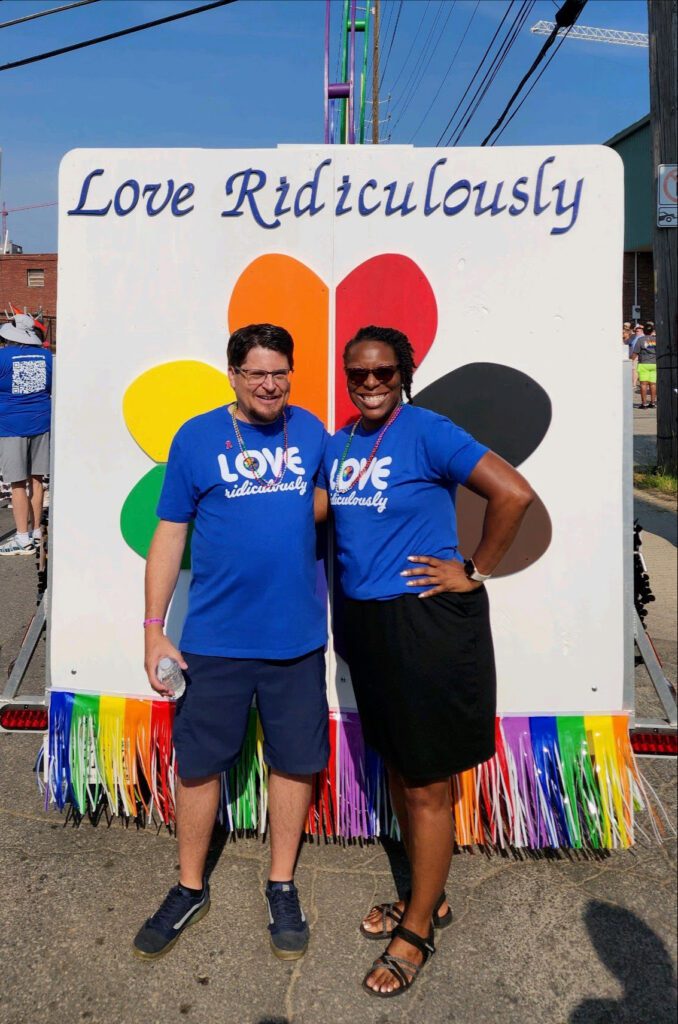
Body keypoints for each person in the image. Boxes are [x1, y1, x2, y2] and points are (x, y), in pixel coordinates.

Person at [321, 325, 534, 998]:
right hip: (367, 624)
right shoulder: (343, 442)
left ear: (403, 374)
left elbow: (513, 493)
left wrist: (475, 568)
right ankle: (426, 894)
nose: (371, 383)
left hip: (426, 627)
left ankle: (415, 931)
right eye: (359, 374)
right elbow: (316, 511)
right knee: (401, 765)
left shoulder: (428, 430)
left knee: (426, 784)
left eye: (384, 372)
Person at [134, 323, 329, 962]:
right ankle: (190, 886)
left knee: (295, 759)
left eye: (280, 372)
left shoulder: (312, 432)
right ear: (234, 377)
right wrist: (153, 628)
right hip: (213, 640)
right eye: (256, 374)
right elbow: (168, 537)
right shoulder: (195, 437)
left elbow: (332, 504)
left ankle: (281, 883)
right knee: (198, 764)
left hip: (296, 637)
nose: (269, 385)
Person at [0, 314, 53, 556]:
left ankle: (22, 538)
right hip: (41, 422)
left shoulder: (2, 357)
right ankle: (36, 531)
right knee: (37, 480)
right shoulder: (46, 357)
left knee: (17, 483)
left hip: (11, 425)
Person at [632, 324, 657, 409]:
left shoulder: (640, 340)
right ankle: (653, 403)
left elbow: (635, 352)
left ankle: (644, 404)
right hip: (654, 364)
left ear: (644, 331)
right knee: (653, 384)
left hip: (644, 364)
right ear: (652, 331)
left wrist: (630, 360)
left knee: (643, 384)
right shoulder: (656, 340)